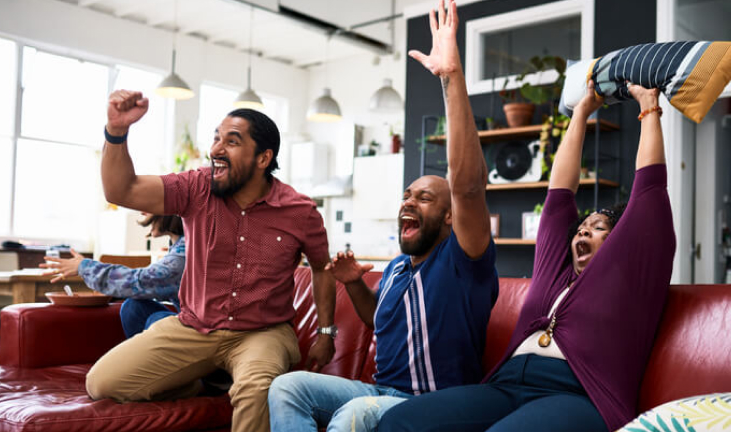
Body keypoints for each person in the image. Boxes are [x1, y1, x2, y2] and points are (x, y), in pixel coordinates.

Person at [378, 57, 676, 432]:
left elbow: (649, 188)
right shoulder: (555, 271)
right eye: (581, 227)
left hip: (578, 395)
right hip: (506, 386)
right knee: (399, 421)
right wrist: (581, 112)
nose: (582, 232)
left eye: (598, 227)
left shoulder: (632, 273)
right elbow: (559, 196)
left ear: (621, 241)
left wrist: (649, 108)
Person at [267, 2, 498, 431]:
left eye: (425, 198)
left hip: (434, 405)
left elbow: (467, 185)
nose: (409, 202)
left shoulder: (465, 263)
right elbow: (378, 320)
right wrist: (354, 283)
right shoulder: (395, 269)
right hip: (378, 391)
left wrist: (451, 78)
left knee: (353, 416)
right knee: (287, 387)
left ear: (451, 218)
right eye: (407, 195)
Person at [84, 90, 336, 432]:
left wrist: (325, 333)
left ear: (263, 158)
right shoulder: (196, 187)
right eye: (216, 139)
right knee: (102, 383)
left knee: (255, 390)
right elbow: (121, 190)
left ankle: (220, 379)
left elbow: (321, 268)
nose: (216, 149)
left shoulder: (300, 211)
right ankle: (199, 381)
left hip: (262, 333)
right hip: (193, 327)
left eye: (231, 142)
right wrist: (116, 130)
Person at [41, 214, 185, 338]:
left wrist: (84, 267)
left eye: (150, 205)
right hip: (191, 323)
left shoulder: (185, 251)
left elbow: (140, 281)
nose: (142, 211)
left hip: (204, 333)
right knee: (133, 307)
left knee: (158, 320)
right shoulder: (178, 246)